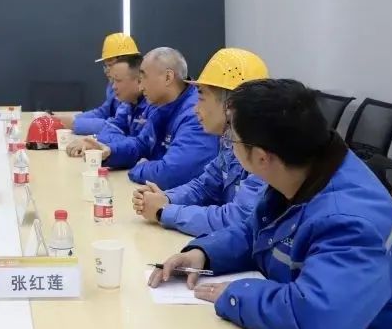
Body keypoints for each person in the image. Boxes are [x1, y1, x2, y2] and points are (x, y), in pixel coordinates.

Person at [149, 79, 392, 329]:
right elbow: (257, 232)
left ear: (261, 157)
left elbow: (317, 324)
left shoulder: (350, 220)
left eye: (233, 137)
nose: (228, 143)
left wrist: (234, 293)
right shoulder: (300, 170)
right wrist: (203, 254)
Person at [132, 48, 269, 236]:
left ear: (230, 106)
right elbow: (205, 186)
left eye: (202, 98)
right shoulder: (230, 142)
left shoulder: (266, 152)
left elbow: (238, 219)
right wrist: (166, 198)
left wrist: (164, 211)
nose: (196, 108)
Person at [73, 47, 217, 189]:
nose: (140, 87)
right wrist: (110, 152)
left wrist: (139, 167)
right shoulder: (161, 106)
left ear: (168, 77)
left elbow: (171, 174)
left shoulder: (196, 113)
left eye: (143, 78)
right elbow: (141, 144)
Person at [65, 54, 150, 161]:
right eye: (113, 81)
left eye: (118, 80)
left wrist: (103, 144)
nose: (113, 87)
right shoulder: (128, 104)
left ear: (139, 80)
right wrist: (95, 142)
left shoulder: (153, 106)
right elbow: (112, 128)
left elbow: (141, 146)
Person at [70, 33, 140, 135]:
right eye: (106, 66)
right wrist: (73, 119)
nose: (107, 71)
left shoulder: (136, 94)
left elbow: (117, 125)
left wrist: (73, 123)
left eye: (110, 65)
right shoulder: (112, 86)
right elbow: (104, 112)